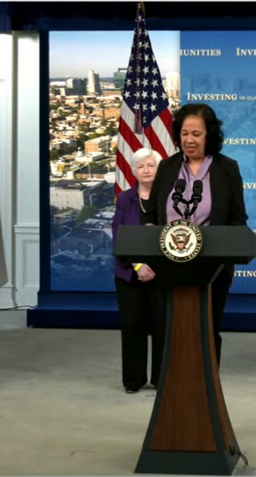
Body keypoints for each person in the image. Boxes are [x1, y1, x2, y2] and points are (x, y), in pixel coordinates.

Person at [141, 103, 248, 367]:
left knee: (208, 327)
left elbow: (238, 219)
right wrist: (147, 230)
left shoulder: (227, 169)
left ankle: (207, 389)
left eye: (196, 134)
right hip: (169, 266)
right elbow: (151, 214)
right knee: (170, 328)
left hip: (212, 268)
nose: (189, 140)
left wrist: (228, 253)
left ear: (209, 135)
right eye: (184, 133)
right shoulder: (166, 167)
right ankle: (171, 387)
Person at [111, 148, 164, 394]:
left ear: (158, 169)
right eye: (140, 166)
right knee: (133, 328)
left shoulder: (168, 199)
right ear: (133, 170)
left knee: (162, 327)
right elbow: (117, 236)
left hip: (161, 274)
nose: (145, 170)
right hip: (129, 275)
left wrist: (153, 265)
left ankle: (161, 378)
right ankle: (133, 380)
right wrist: (138, 265)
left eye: (150, 165)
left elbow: (175, 237)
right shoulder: (125, 199)